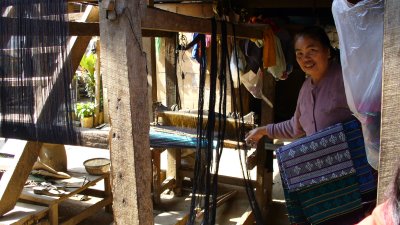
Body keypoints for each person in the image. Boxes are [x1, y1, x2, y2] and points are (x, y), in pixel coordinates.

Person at [245, 26, 353, 145]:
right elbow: (295, 127)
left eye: (312, 51)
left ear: (327, 52)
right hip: (321, 160)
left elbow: (369, 119)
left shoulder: (346, 80)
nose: (305, 58)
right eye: (299, 54)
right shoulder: (306, 88)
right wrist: (263, 130)